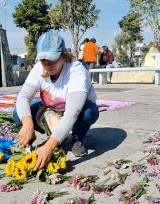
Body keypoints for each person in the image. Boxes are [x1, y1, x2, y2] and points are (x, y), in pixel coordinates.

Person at [13, 32, 99, 170]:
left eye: (52, 60)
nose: (48, 65)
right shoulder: (39, 68)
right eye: (43, 60)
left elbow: (72, 112)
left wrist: (49, 146)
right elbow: (23, 97)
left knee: (88, 112)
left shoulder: (76, 71)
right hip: (52, 109)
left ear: (63, 56)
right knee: (19, 115)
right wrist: (28, 124)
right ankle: (56, 133)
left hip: (77, 111)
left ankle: (78, 137)